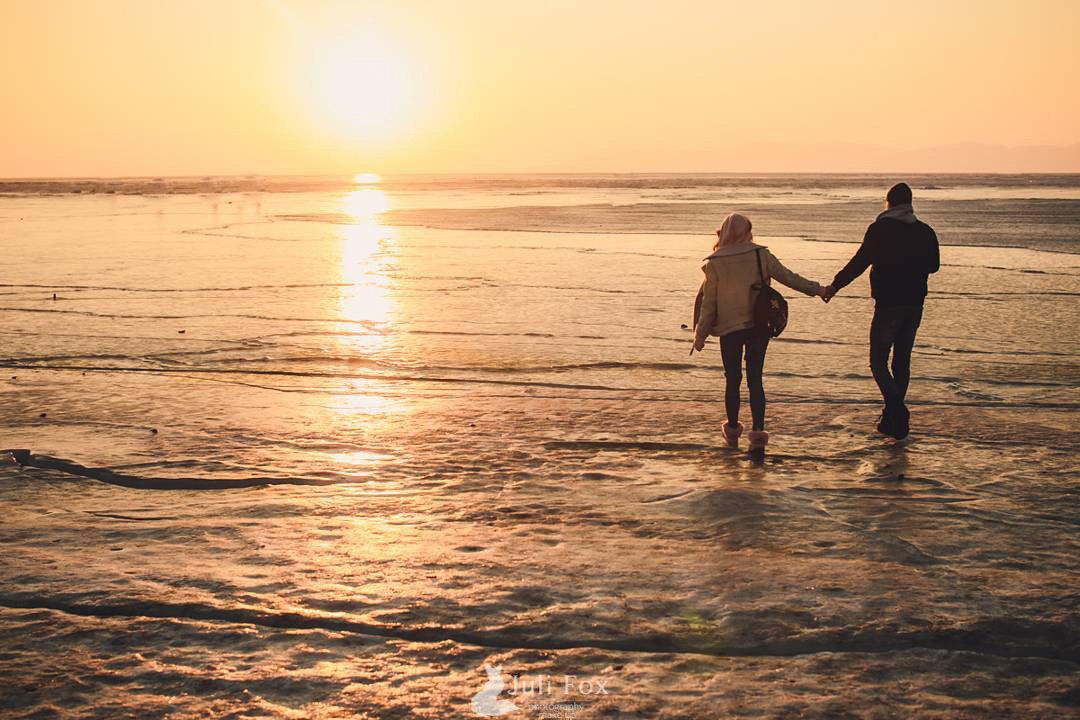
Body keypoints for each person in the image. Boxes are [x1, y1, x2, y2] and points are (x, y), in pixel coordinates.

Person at [691, 213, 828, 454]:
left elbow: (709, 304)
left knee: (732, 379)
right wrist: (818, 289)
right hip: (758, 327)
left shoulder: (715, 263)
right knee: (756, 379)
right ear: (747, 231)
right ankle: (757, 435)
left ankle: (732, 433)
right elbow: (789, 277)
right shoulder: (760, 255)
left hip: (729, 330)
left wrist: (700, 335)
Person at [823, 182, 939, 440]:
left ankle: (897, 411)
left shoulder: (880, 229)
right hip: (915, 304)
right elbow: (934, 266)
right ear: (910, 203)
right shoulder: (925, 231)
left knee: (877, 361)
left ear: (888, 202)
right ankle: (892, 419)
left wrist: (835, 285)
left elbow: (860, 262)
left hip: (888, 304)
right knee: (901, 362)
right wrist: (911, 264)